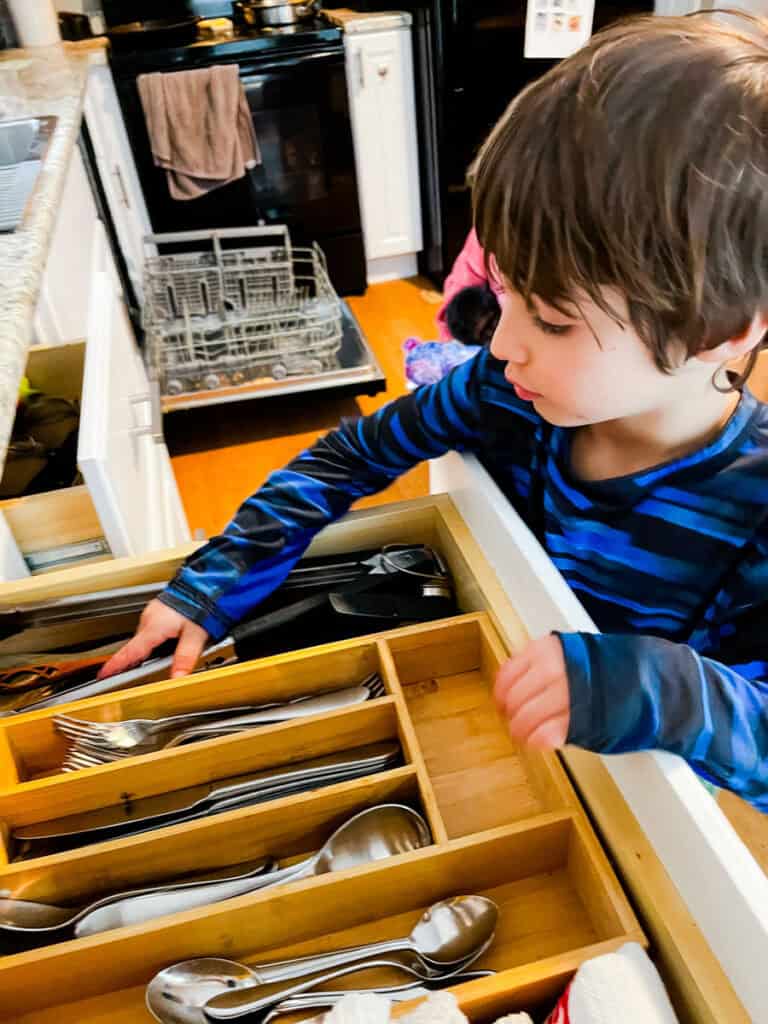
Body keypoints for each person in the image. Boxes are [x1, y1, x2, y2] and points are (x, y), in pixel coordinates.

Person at [102, 13, 768, 808]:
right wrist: (214, 583)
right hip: (492, 734)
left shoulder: (754, 509)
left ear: (716, 335)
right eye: (505, 294)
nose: (505, 342)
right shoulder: (501, 391)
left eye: (552, 320)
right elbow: (348, 456)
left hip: (628, 811)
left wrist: (660, 684)